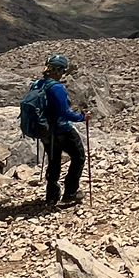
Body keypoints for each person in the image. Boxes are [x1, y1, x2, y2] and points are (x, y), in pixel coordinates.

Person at [36, 53, 88, 209]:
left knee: (54, 161)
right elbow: (65, 112)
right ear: (58, 70)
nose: (63, 74)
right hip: (62, 130)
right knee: (78, 157)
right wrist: (82, 117)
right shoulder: (57, 87)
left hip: (45, 131)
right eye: (62, 71)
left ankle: (51, 197)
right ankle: (70, 194)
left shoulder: (38, 84)